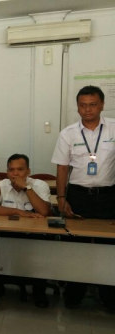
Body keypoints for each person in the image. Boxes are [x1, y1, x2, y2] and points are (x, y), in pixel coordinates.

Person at [51, 85, 115, 310]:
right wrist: (61, 198)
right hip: (78, 195)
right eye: (83, 105)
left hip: (108, 196)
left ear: (102, 105)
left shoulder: (113, 130)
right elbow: (61, 168)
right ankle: (74, 293)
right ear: (77, 107)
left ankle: (108, 295)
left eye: (93, 104)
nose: (87, 110)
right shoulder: (68, 133)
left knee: (109, 247)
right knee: (75, 245)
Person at [0, 153, 52, 308]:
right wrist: (18, 212)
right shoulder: (2, 185)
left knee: (43, 246)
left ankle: (39, 290)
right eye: (11, 170)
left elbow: (44, 211)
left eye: (20, 170)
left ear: (28, 171)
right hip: (6, 233)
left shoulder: (40, 185)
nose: (15, 174)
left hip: (34, 235)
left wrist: (26, 188)